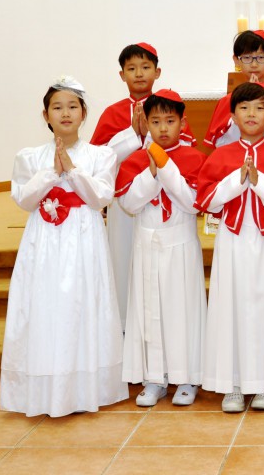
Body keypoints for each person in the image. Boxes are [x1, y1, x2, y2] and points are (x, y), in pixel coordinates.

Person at [1, 76, 127, 417]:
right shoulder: (29, 157)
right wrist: (49, 174)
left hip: (84, 238)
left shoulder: (101, 155)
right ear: (46, 115)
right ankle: (43, 388)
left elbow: (100, 197)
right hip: (43, 241)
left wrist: (71, 170)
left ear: (84, 113)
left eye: (73, 106)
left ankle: (83, 390)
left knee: (81, 303)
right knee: (44, 303)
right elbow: (24, 200)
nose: (66, 113)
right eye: (57, 107)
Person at [195, 82, 264, 412]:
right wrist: (236, 180)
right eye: (244, 108)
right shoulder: (221, 156)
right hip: (232, 240)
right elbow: (207, 200)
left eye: (260, 108)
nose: (251, 114)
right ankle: (233, 382)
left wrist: (260, 182)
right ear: (232, 116)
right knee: (231, 305)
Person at [114, 90, 207, 407]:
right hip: (147, 243)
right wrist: (152, 173)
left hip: (180, 244)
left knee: (182, 310)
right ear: (146, 123)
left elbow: (193, 204)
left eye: (170, 121)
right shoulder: (135, 161)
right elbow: (129, 204)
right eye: (155, 122)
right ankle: (155, 378)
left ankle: (187, 377)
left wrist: (167, 168)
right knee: (149, 309)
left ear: (183, 122)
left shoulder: (195, 158)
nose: (163, 128)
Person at [90, 42, 194, 324]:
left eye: (145, 67)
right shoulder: (112, 113)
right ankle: (126, 323)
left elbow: (185, 150)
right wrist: (132, 135)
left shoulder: (170, 107)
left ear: (157, 72)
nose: (139, 74)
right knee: (124, 259)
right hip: (127, 200)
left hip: (166, 201)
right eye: (132, 68)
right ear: (121, 74)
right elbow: (98, 160)